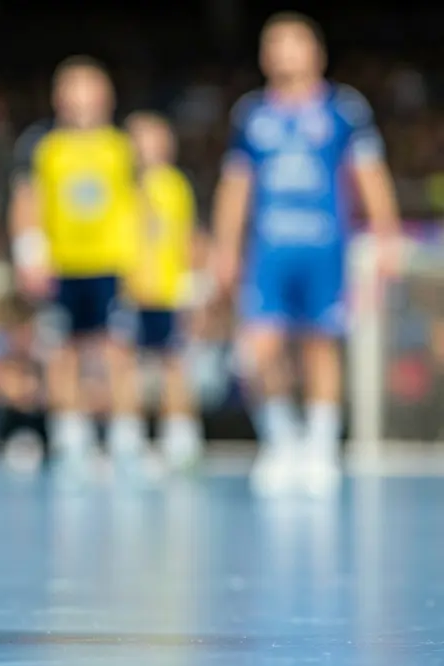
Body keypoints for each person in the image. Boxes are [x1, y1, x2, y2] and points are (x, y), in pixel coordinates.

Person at [212, 12, 401, 495]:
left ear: (315, 51)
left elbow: (370, 174)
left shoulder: (343, 109)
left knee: (321, 343)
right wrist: (225, 247)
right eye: (273, 43)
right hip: (270, 248)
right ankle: (280, 440)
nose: (283, 52)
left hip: (325, 246)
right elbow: (236, 185)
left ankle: (319, 446)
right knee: (264, 345)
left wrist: (386, 234)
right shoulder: (253, 114)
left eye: (293, 42)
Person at [9, 56, 143, 480]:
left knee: (117, 351)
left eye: (89, 87)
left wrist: (143, 259)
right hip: (62, 266)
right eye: (71, 87)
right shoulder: (42, 144)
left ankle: (125, 440)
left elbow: (141, 203)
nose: (80, 97)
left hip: (112, 264)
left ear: (106, 95)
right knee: (61, 353)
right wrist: (30, 253)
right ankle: (70, 439)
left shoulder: (122, 145)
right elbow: (26, 199)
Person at [124, 111, 204, 470]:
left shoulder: (175, 185)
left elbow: (187, 235)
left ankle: (181, 439)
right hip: (130, 292)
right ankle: (128, 440)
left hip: (169, 291)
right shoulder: (121, 186)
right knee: (126, 366)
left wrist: (194, 280)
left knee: (175, 364)